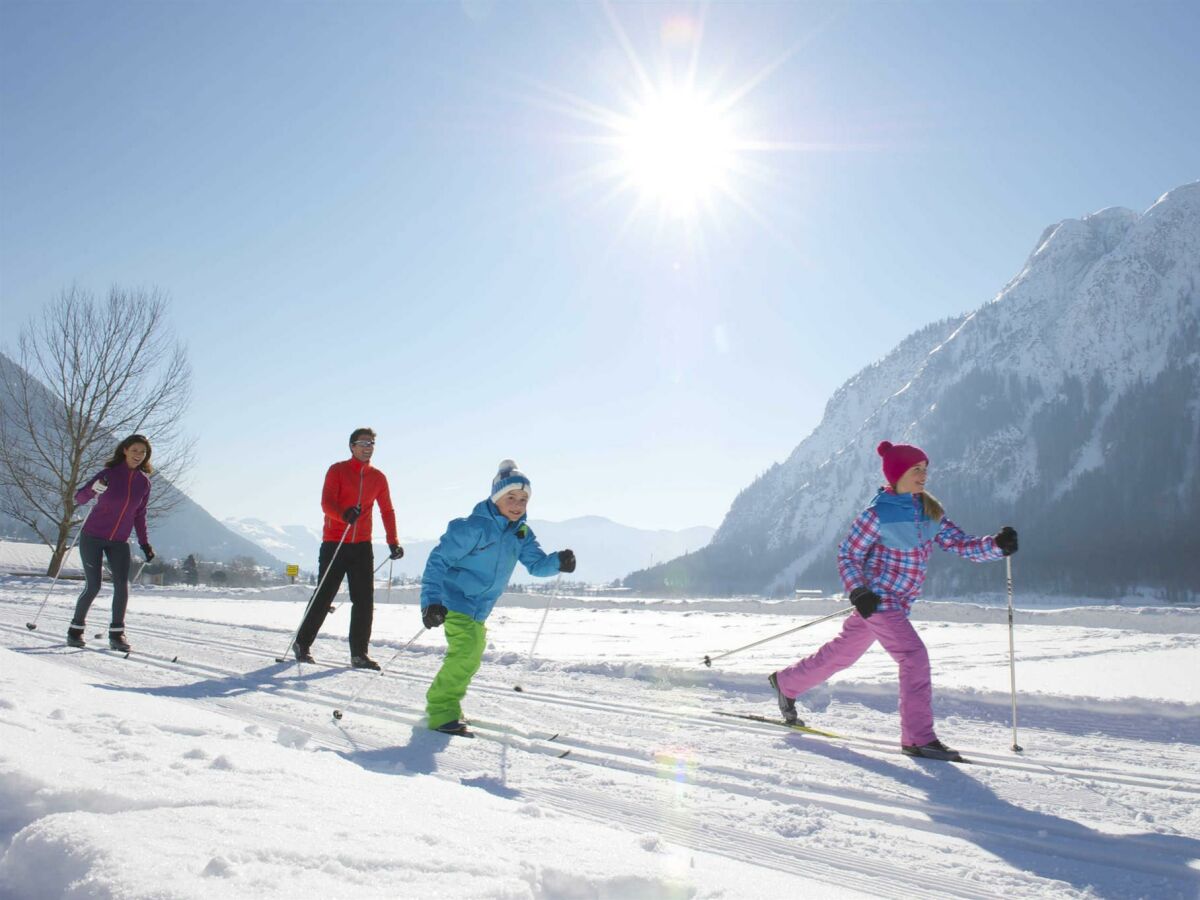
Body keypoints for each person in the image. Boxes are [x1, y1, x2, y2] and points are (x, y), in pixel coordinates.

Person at [768, 440, 1018, 761]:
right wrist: (858, 591)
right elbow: (849, 554)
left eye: (926, 469)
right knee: (913, 656)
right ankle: (917, 738)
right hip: (878, 600)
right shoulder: (877, 515)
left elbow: (960, 544)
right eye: (917, 469)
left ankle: (786, 683)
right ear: (898, 473)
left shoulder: (930, 511)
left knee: (842, 654)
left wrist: (996, 545)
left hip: (898, 603)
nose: (924, 475)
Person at [420, 460, 576, 736]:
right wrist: (431, 601)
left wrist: (558, 562)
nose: (517, 504)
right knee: (467, 651)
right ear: (497, 497)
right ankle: (440, 711)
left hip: (480, 608)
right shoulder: (473, 528)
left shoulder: (521, 533)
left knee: (471, 653)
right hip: (453, 599)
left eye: (523, 499)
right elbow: (438, 561)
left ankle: (448, 705)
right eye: (511, 497)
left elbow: (536, 565)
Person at [293, 428, 403, 669]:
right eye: (363, 443)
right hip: (335, 542)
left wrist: (393, 541)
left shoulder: (378, 477)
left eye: (371, 443)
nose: (368, 447)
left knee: (364, 600)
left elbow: (387, 510)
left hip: (362, 545)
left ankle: (359, 654)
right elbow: (326, 503)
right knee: (324, 596)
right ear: (352, 446)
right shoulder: (337, 470)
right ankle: (302, 643)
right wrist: (343, 515)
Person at [68, 434, 156, 652]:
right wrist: (93, 489)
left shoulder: (143, 483)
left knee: (122, 586)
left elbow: (139, 515)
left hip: (119, 541)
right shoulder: (108, 475)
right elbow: (79, 498)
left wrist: (145, 544)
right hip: (92, 537)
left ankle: (117, 635)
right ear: (125, 450)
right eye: (135, 450)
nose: (138, 455)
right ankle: (75, 630)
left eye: (143, 452)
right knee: (94, 585)